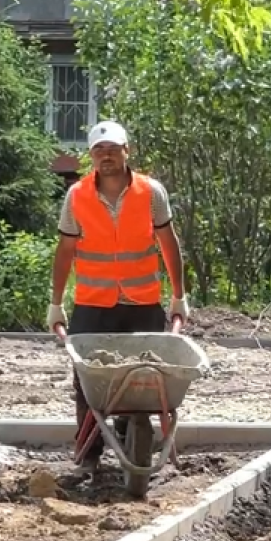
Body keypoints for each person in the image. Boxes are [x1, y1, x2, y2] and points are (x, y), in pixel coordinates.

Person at [46, 120, 189, 471]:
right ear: (91, 157)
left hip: (142, 303)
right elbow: (65, 250)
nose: (106, 156)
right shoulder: (76, 196)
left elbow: (168, 243)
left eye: (113, 149)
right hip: (93, 305)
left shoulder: (150, 192)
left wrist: (178, 296)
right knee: (87, 383)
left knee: (144, 377)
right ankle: (90, 456)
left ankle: (132, 435)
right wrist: (55, 303)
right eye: (99, 150)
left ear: (127, 151)